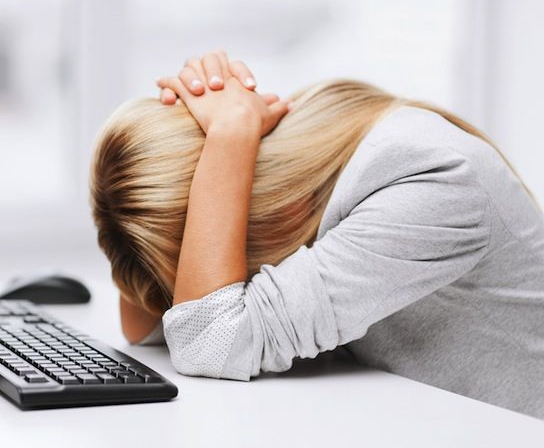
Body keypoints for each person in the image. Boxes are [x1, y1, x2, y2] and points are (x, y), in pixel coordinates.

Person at [89, 51, 544, 419]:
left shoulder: (427, 179)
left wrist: (228, 136)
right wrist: (171, 156)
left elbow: (208, 341)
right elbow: (146, 324)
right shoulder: (313, 154)